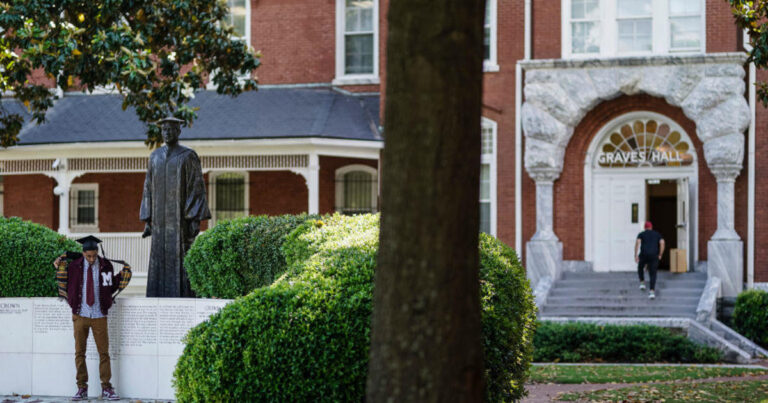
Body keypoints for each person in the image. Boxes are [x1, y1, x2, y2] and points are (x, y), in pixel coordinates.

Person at [140, 116, 211, 297]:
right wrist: (148, 218)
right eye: (164, 130)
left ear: (178, 131)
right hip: (159, 222)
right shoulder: (155, 157)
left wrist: (193, 218)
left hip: (180, 223)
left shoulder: (188, 156)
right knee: (158, 259)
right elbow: (148, 187)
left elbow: (196, 187)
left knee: (180, 260)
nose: (167, 133)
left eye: (171, 129)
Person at [53, 235, 122, 401]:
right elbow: (65, 283)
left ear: (97, 252)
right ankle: (82, 388)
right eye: (88, 256)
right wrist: (59, 264)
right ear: (83, 253)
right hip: (80, 314)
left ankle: (107, 388)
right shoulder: (74, 266)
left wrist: (123, 276)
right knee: (79, 352)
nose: (91, 259)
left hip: (99, 315)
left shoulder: (106, 266)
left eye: (94, 255)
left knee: (103, 353)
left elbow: (110, 286)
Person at [635, 221, 665, 300]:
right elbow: (662, 243)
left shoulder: (641, 234)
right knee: (653, 272)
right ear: (651, 227)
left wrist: (635, 255)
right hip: (654, 255)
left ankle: (642, 282)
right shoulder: (657, 234)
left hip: (644, 254)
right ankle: (652, 291)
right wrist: (660, 254)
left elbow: (637, 243)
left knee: (640, 267)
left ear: (645, 227)